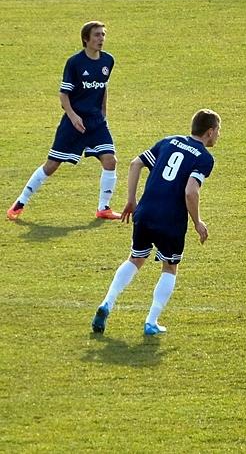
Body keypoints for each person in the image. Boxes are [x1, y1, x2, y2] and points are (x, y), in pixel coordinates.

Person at [91, 108, 221, 335]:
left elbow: (135, 164)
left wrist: (131, 200)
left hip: (145, 211)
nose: (219, 135)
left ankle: (107, 303)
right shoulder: (204, 158)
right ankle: (151, 322)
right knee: (170, 267)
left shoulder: (169, 141)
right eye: (218, 130)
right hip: (170, 220)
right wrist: (197, 221)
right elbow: (190, 191)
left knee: (135, 258)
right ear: (209, 132)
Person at [7, 21, 123, 221]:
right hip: (73, 122)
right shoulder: (75, 62)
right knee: (52, 165)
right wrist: (73, 116)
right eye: (97, 35)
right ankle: (20, 202)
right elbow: (63, 94)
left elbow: (103, 87)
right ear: (86, 39)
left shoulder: (108, 60)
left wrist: (103, 112)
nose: (101, 39)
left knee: (110, 160)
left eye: (103, 34)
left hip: (96, 122)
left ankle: (103, 208)